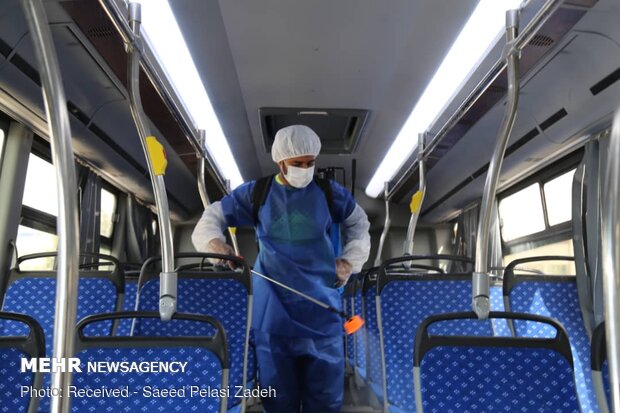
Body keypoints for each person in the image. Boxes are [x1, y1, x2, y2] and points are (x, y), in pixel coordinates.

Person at [192, 124, 370, 412]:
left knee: (325, 399)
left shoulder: (328, 193)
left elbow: (359, 225)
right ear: (280, 161)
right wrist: (216, 246)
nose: (305, 169)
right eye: (297, 163)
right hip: (273, 311)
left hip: (322, 310)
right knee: (278, 398)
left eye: (310, 163)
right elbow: (211, 217)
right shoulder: (257, 193)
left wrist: (349, 261)